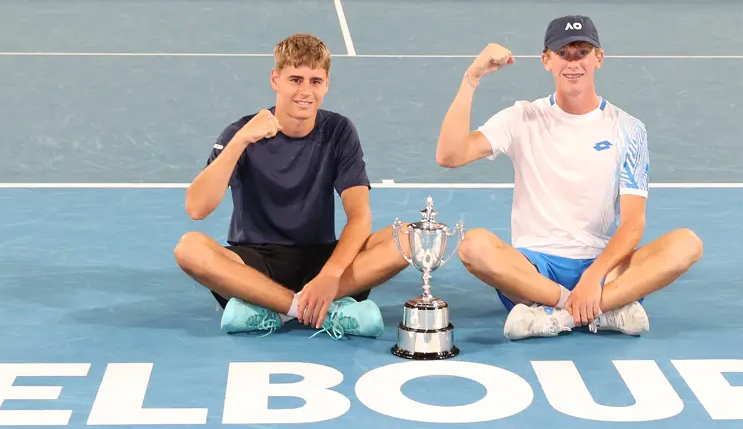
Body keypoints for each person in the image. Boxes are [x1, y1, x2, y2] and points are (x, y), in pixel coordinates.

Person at [435, 17, 703, 341]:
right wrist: (471, 78)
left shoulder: (629, 129)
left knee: (686, 244)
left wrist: (593, 277)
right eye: (563, 53)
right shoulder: (523, 117)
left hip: (605, 268)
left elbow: (633, 223)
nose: (573, 62)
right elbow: (449, 155)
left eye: (582, 52)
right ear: (547, 60)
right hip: (535, 271)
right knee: (473, 246)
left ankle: (553, 316)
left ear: (598, 58)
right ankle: (596, 311)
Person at [175, 34, 408, 337]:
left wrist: (331, 275)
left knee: (407, 237)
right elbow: (196, 208)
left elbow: (360, 216)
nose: (305, 91)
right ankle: (313, 311)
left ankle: (271, 310)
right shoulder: (240, 131)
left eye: (315, 81)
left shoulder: (339, 130)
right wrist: (242, 140)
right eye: (295, 79)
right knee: (189, 248)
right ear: (276, 79)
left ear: (326, 84)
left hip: (321, 260)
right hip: (254, 266)